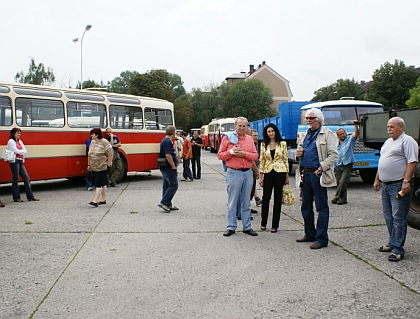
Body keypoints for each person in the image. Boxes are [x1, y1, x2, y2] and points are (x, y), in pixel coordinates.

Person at [373, 117, 418, 262]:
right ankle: (392, 243)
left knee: (399, 217)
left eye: (392, 127)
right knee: (388, 216)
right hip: (386, 185)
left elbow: (412, 162)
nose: (389, 129)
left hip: (398, 185)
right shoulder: (388, 142)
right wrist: (377, 179)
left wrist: (406, 181)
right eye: (388, 126)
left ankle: (398, 249)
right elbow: (382, 161)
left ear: (401, 127)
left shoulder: (407, 141)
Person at [295, 108, 338, 249]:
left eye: (311, 118)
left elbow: (333, 156)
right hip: (305, 173)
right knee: (305, 207)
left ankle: (321, 238)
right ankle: (309, 234)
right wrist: (298, 154)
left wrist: (321, 168)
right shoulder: (305, 134)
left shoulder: (327, 134)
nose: (308, 120)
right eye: (307, 118)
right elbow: (301, 153)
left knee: (321, 207)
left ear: (318, 119)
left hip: (317, 174)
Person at [217, 117, 259, 237]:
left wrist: (244, 154)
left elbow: (255, 156)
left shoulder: (249, 139)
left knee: (246, 202)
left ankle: (247, 227)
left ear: (247, 127)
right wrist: (231, 152)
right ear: (235, 126)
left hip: (247, 172)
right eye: (239, 126)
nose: (241, 128)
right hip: (234, 172)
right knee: (232, 201)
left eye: (244, 126)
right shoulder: (227, 138)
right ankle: (231, 227)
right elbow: (220, 155)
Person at [258, 123, 289, 233]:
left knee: (277, 199)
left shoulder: (282, 144)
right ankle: (263, 223)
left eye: (272, 131)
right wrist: (260, 177)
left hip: (280, 172)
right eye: (268, 132)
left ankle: (275, 225)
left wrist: (287, 176)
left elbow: (285, 160)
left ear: (276, 132)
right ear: (266, 133)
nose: (271, 133)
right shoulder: (263, 144)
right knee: (266, 198)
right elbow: (262, 160)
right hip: (268, 172)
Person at [7, 128, 40, 202]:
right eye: (17, 133)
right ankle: (16, 197)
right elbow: (16, 150)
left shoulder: (20, 141)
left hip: (20, 161)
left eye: (19, 133)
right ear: (13, 134)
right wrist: (22, 152)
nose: (19, 134)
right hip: (14, 161)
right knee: (16, 179)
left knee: (26, 178)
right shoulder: (11, 141)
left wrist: (21, 152)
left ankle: (30, 196)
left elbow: (25, 150)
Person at [331, 121, 359, 205]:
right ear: (338, 136)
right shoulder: (336, 143)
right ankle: (343, 199)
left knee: (343, 181)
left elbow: (356, 134)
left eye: (343, 133)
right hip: (338, 164)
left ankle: (336, 196)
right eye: (340, 134)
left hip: (347, 163)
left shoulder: (350, 139)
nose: (343, 135)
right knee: (340, 182)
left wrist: (355, 125)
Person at [87, 128, 113, 207]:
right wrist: (89, 165)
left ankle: (95, 201)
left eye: (93, 134)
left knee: (98, 184)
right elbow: (89, 154)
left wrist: (108, 164)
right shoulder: (92, 142)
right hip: (94, 166)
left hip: (102, 166)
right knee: (103, 183)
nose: (91, 135)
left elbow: (110, 153)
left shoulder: (104, 142)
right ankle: (103, 199)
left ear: (97, 135)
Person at [158, 125, 179, 212]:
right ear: (173, 133)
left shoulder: (164, 140)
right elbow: (168, 155)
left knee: (166, 185)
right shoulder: (167, 142)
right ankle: (164, 202)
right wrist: (173, 166)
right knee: (174, 185)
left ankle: (168, 204)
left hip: (164, 167)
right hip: (168, 167)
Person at [251, 129, 262, 206]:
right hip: (251, 168)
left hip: (255, 167)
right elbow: (253, 158)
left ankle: (257, 198)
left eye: (257, 135)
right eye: (254, 135)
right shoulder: (250, 144)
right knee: (250, 185)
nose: (256, 137)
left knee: (252, 185)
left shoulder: (256, 144)